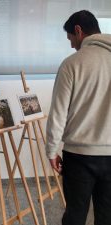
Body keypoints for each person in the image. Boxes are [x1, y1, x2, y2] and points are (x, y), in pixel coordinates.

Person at [45, 10, 111, 225]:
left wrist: (52, 150)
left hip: (78, 155)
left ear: (78, 30)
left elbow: (58, 112)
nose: (72, 45)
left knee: (75, 214)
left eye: (71, 39)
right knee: (107, 214)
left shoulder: (72, 64)